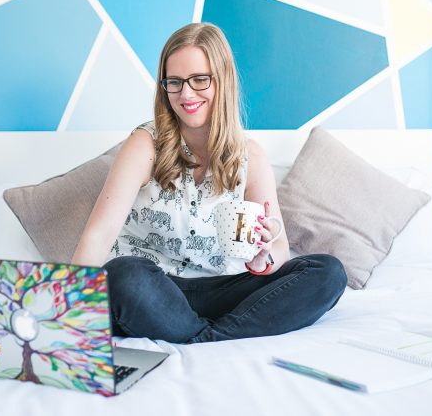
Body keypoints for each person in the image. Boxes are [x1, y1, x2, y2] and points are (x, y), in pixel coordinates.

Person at [71, 22, 346, 343]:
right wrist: (69, 314)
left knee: (326, 273)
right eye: (174, 82)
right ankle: (217, 335)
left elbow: (278, 250)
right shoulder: (145, 145)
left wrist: (263, 258)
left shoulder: (250, 157)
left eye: (199, 79)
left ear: (223, 80)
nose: (186, 94)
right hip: (151, 290)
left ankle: (205, 337)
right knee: (122, 273)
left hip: (223, 288)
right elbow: (99, 235)